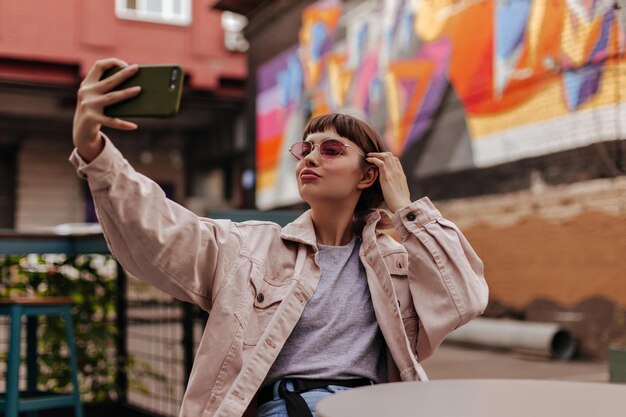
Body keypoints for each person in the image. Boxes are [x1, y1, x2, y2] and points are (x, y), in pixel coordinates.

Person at [70, 58, 488, 417]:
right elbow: (160, 231)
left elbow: (465, 297)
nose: (310, 157)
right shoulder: (249, 249)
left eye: (331, 150)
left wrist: (406, 209)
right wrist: (94, 152)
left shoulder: (397, 263)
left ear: (368, 174)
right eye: (306, 149)